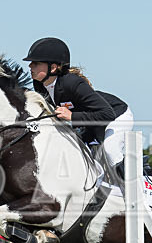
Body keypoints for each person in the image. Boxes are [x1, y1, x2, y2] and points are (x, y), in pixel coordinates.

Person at [24, 37, 134, 169]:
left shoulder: (72, 83)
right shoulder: (40, 85)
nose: (30, 66)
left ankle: (136, 182)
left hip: (117, 115)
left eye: (35, 63)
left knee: (110, 152)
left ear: (53, 68)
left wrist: (72, 116)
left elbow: (107, 114)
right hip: (91, 123)